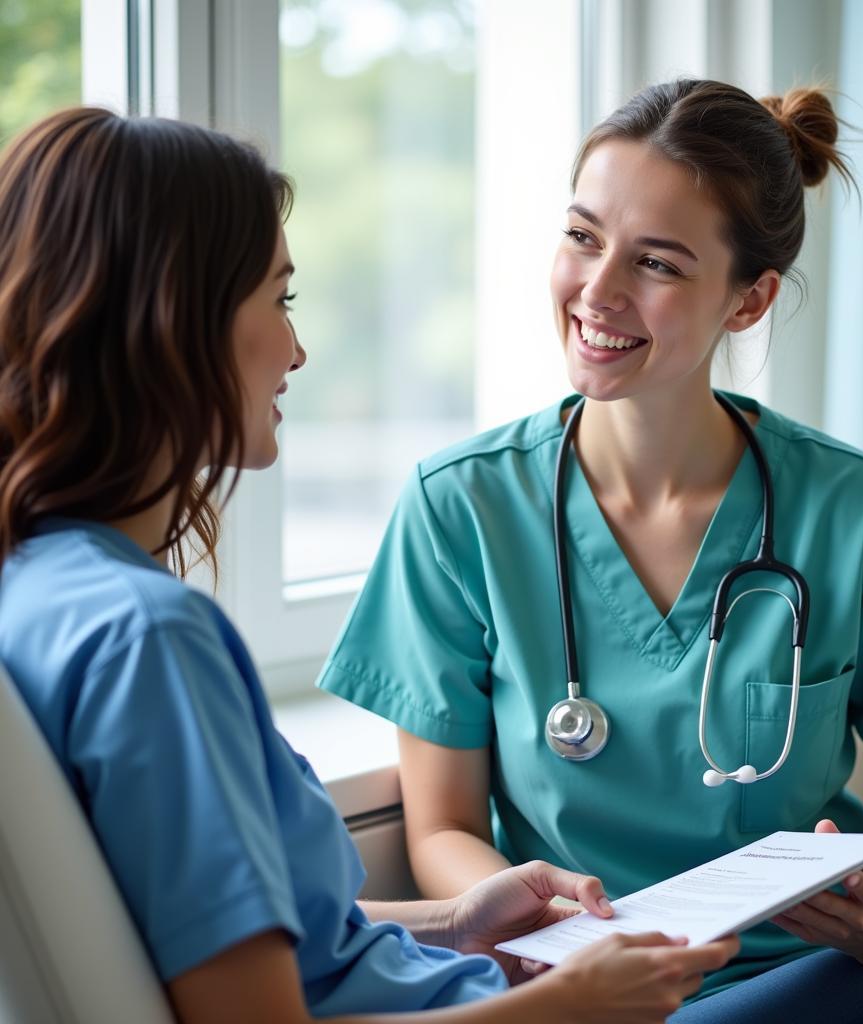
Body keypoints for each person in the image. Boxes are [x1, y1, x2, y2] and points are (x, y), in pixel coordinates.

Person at [0, 106, 740, 1024]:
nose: (298, 349)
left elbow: (276, 943)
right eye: (280, 299)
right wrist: (572, 1007)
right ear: (173, 321)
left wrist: (461, 921)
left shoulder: (37, 587)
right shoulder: (148, 637)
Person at [318, 78, 863, 1022]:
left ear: (749, 300)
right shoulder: (463, 507)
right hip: (584, 982)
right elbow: (441, 824)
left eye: (657, 262)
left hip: (812, 972)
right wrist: (561, 934)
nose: (598, 290)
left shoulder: (855, 509)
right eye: (582, 236)